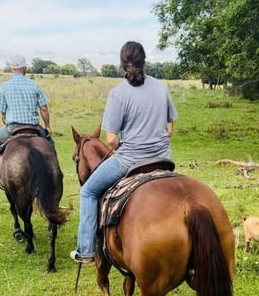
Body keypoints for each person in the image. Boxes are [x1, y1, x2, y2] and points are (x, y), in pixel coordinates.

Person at [70, 41, 178, 263]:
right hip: (163, 159)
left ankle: (87, 250)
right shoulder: (161, 87)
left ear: (122, 63)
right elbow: (169, 129)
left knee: (88, 192)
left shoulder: (118, 93)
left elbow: (110, 138)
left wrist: (122, 146)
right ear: (144, 61)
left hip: (130, 161)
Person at [0, 55, 54, 185]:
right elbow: (43, 108)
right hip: (34, 127)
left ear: (12, 69)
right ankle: (53, 173)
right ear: (25, 68)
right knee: (50, 143)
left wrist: (5, 119)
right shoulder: (34, 85)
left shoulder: (4, 87)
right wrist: (47, 126)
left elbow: (2, 110)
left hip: (13, 127)